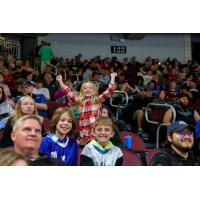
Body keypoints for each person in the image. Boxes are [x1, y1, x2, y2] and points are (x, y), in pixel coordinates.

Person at [56, 72, 117, 145]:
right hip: (84, 132)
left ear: (94, 90)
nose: (87, 89)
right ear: (82, 91)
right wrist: (60, 81)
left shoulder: (97, 100)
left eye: (90, 88)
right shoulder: (80, 101)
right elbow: (68, 93)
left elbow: (109, 90)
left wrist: (112, 77)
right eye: (85, 88)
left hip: (94, 132)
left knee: (94, 147)